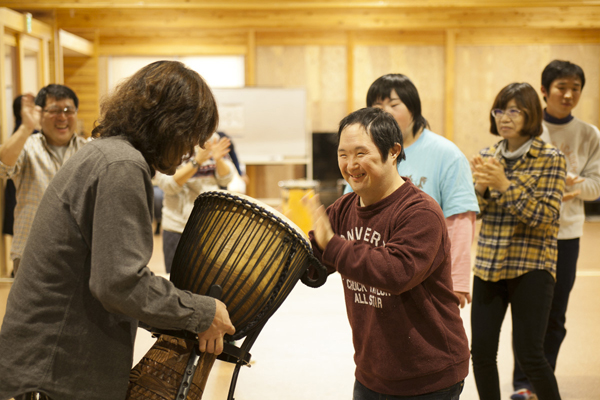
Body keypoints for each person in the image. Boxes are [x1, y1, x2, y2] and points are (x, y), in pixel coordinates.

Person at [0, 61, 235, 400]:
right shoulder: (122, 165)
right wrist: (201, 311)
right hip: (51, 376)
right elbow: (120, 283)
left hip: (42, 368)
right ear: (167, 124)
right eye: (189, 135)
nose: (189, 150)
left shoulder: (104, 152)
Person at [305, 107, 469, 399]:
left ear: (393, 152)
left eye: (361, 153)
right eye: (343, 154)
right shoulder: (343, 209)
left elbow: (395, 272)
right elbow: (314, 265)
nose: (351, 164)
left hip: (429, 376)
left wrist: (333, 246)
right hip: (371, 373)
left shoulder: (420, 212)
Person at [345, 74, 479, 308]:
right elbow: (350, 210)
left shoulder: (447, 154)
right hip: (375, 275)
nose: (385, 113)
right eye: (377, 107)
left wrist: (458, 280)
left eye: (394, 105)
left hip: (427, 272)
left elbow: (459, 218)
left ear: (414, 109)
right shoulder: (365, 155)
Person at [470, 82, 566, 400]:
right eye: (500, 110)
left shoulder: (551, 159)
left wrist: (504, 186)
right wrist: (480, 191)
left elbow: (546, 216)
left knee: (530, 356)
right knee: (481, 354)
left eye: (514, 110)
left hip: (532, 267)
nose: (505, 117)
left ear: (530, 114)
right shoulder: (487, 156)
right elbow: (475, 212)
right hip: (488, 266)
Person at [510, 61, 600, 400]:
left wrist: (573, 186)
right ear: (545, 91)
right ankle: (522, 383)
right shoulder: (529, 129)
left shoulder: (590, 134)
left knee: (555, 314)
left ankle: (538, 378)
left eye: (576, 87)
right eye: (561, 87)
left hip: (567, 234)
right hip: (530, 231)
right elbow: (513, 177)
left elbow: (597, 186)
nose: (569, 94)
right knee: (527, 311)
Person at [0, 85, 88, 275]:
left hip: (79, 255)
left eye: (68, 110)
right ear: (40, 114)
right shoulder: (27, 147)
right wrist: (26, 127)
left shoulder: (89, 152)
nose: (63, 117)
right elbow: (2, 167)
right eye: (54, 110)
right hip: (31, 254)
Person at [155, 132, 235, 273]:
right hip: (177, 227)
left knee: (209, 281)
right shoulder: (168, 143)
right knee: (176, 282)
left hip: (211, 227)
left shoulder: (212, 138)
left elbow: (226, 178)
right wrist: (196, 162)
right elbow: (167, 184)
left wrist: (218, 160)